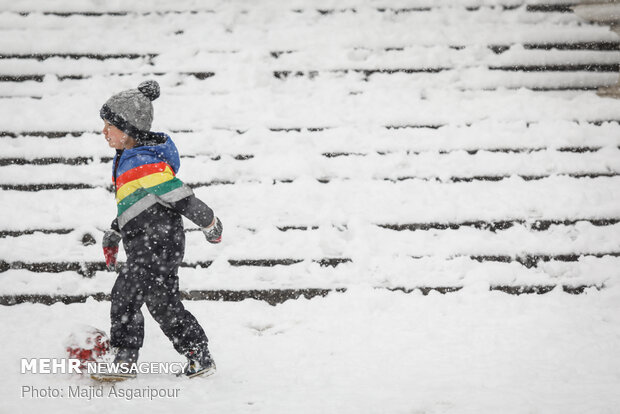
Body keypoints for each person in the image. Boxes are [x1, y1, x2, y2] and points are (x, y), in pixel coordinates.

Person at [92, 80, 223, 381]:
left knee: (125, 297)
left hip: (156, 243)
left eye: (109, 125)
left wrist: (209, 221)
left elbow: (181, 197)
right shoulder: (133, 161)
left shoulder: (145, 164)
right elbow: (135, 206)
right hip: (155, 243)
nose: (104, 132)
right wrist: (115, 232)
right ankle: (198, 356)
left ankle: (123, 361)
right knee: (163, 304)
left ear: (128, 131)